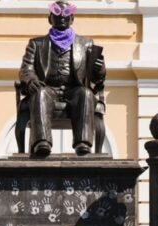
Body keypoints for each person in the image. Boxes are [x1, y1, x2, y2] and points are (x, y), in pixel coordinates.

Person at [18, 0, 106, 156]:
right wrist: (31, 80)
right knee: (40, 93)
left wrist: (99, 69)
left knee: (85, 94)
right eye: (57, 14)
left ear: (72, 19)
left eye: (67, 15)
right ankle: (42, 142)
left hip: (75, 89)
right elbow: (27, 68)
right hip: (48, 89)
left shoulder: (86, 44)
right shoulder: (36, 44)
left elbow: (95, 78)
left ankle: (83, 143)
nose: (62, 18)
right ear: (50, 18)